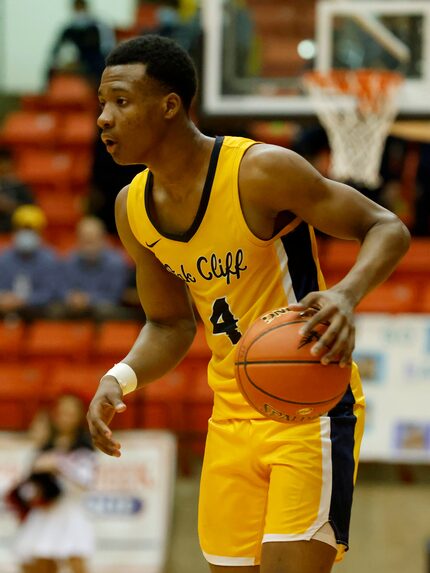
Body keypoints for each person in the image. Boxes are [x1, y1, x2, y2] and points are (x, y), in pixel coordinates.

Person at [87, 35, 410, 573]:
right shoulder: (132, 209)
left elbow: (386, 227)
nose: (103, 118)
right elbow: (168, 323)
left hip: (309, 408)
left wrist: (346, 295)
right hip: (230, 419)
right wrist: (119, 377)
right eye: (101, 103)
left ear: (169, 106)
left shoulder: (259, 171)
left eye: (120, 101)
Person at [13, 395, 96, 573]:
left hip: (69, 512)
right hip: (45, 513)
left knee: (75, 559)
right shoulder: (44, 447)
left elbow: (85, 481)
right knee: (38, 562)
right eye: (62, 413)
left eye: (70, 414)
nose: (65, 418)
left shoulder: (83, 448)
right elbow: (29, 484)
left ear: (79, 417)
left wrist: (59, 465)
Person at [60, 215, 129, 320]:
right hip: (74, 309)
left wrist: (88, 300)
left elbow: (114, 295)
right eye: (84, 240)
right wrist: (71, 297)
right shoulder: (69, 260)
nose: (88, 245)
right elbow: (61, 288)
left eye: (92, 240)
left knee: (106, 310)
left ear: (102, 239)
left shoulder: (116, 263)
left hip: (103, 312)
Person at [0, 205, 61, 320]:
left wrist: (23, 300)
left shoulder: (49, 259)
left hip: (37, 312)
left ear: (40, 232)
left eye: (31, 230)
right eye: (23, 229)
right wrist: (4, 298)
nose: (26, 233)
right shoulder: (3, 258)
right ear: (15, 230)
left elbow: (51, 292)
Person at [47, 0, 116, 86]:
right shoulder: (69, 29)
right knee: (50, 70)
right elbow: (57, 50)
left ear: (86, 8)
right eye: (77, 9)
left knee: (99, 70)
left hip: (97, 58)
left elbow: (108, 47)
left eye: (81, 9)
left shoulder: (100, 26)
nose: (79, 12)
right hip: (79, 59)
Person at [0, 147, 34, 234]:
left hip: (14, 231)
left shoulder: (19, 185)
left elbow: (31, 209)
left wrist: (9, 206)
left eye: (4, 163)